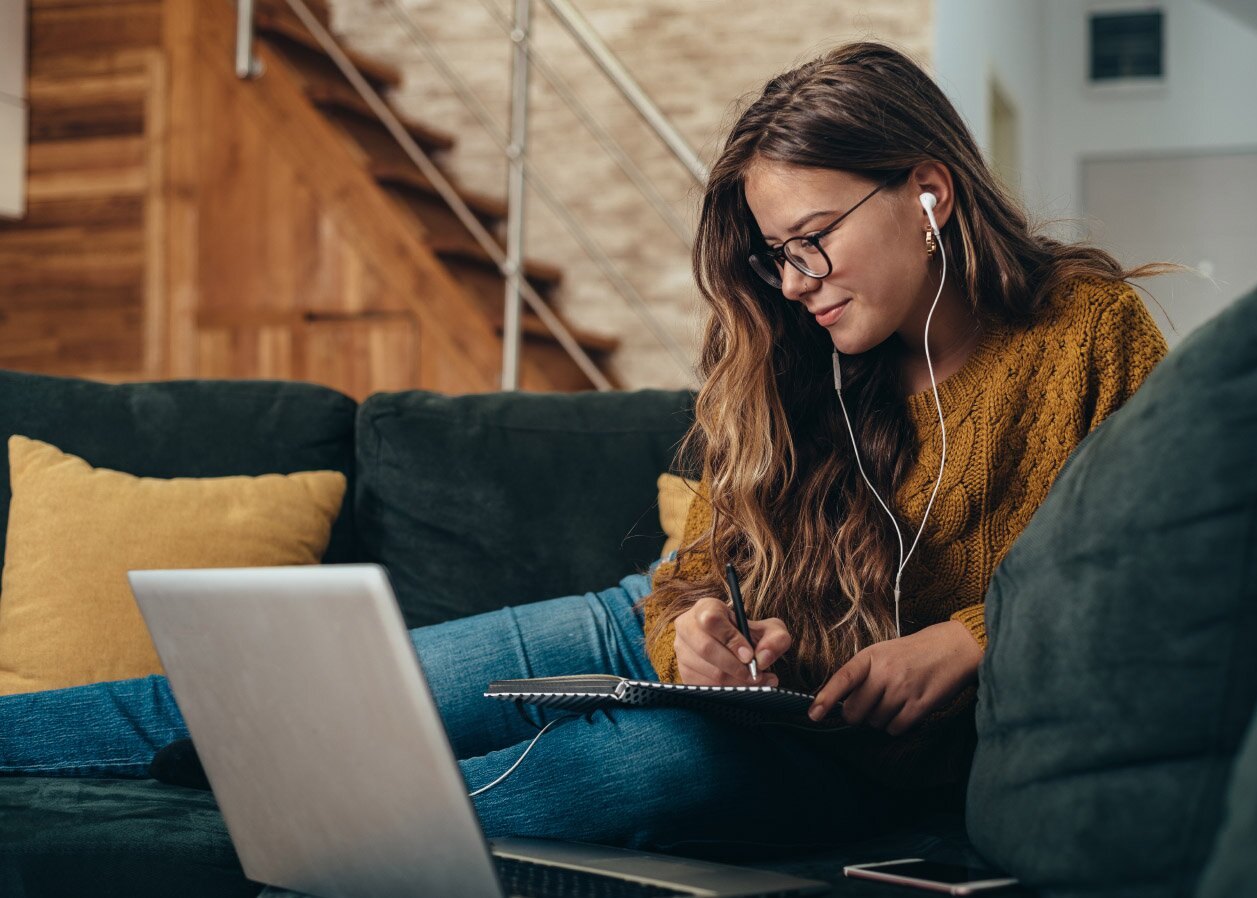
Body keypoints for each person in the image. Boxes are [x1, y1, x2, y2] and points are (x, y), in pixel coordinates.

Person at [0, 41, 1169, 853]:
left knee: (639, 768)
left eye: (812, 237)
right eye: (774, 255)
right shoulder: (791, 350)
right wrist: (700, 629)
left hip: (825, 758)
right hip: (645, 638)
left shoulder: (1085, 329)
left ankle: (274, 833)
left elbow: (1154, 578)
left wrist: (966, 645)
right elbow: (691, 575)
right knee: (273, 698)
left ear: (925, 191)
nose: (794, 281)